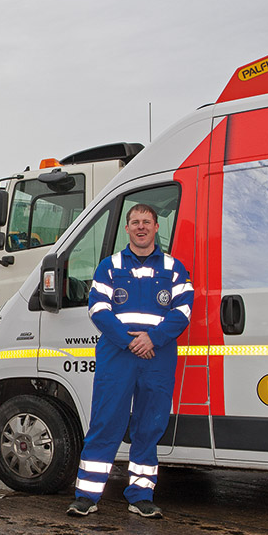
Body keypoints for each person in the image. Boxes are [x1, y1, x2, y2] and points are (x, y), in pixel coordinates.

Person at [67, 203, 193, 519]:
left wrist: (153, 339)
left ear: (156, 227)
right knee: (105, 422)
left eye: (146, 222)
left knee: (150, 426)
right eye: (135, 222)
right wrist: (131, 342)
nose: (140, 227)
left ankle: (140, 496)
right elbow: (98, 310)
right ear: (127, 229)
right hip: (118, 355)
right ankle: (86, 495)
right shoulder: (109, 267)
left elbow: (183, 311)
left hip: (157, 356)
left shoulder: (174, 268)